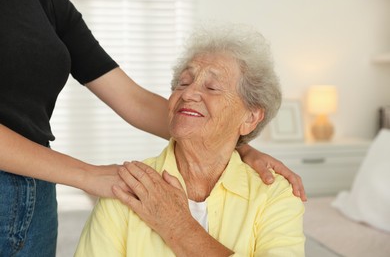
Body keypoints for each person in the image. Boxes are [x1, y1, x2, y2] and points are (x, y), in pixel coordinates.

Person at [75, 24, 305, 256]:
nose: (187, 93)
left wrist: (178, 226)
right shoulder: (128, 186)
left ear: (250, 117)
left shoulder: (274, 194)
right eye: (183, 83)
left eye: (212, 87)